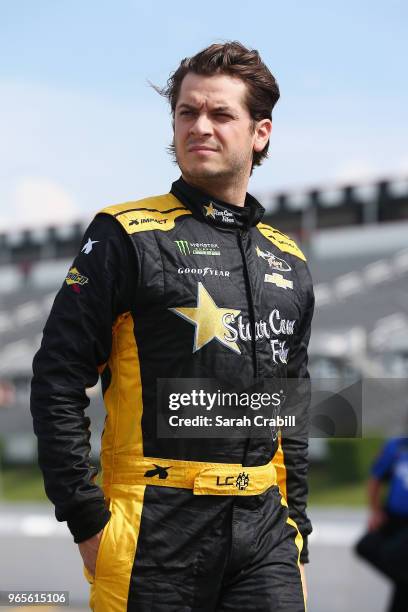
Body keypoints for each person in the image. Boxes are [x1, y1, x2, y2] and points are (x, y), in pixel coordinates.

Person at [31, 41, 314, 611]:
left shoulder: (290, 259)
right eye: (187, 112)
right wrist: (85, 517)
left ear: (261, 133)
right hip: (154, 524)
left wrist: (297, 522)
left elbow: (291, 402)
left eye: (220, 114)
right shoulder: (124, 233)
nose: (199, 126)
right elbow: (58, 379)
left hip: (266, 532)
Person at [355, 437, 408, 612]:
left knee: (395, 556)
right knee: (366, 545)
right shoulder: (397, 447)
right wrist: (376, 511)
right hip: (393, 518)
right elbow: (376, 478)